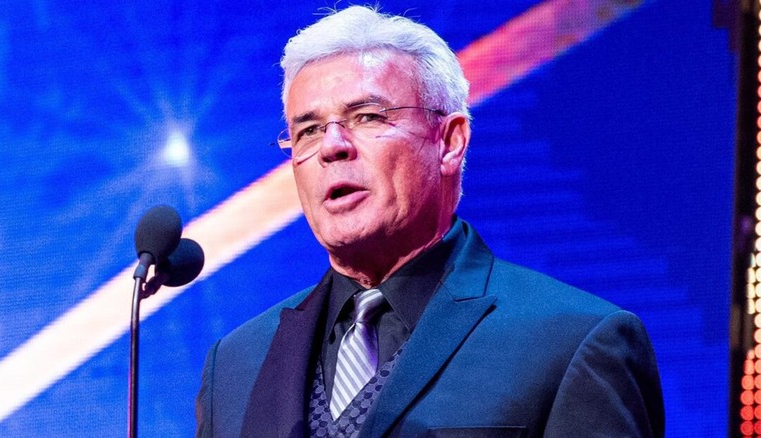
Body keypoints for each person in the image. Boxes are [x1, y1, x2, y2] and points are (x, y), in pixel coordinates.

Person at [195, 5, 664, 438]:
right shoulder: (235, 365)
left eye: (367, 116)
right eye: (309, 129)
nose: (332, 146)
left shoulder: (572, 343)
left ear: (450, 141)